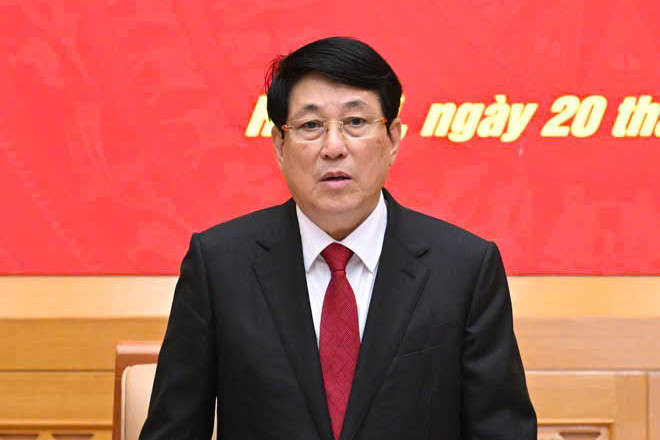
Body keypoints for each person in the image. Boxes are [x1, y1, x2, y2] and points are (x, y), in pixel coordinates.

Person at [139, 36, 537, 440]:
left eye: (356, 122)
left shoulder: (465, 269)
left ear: (393, 139)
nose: (333, 147)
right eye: (311, 125)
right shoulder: (219, 266)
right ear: (279, 145)